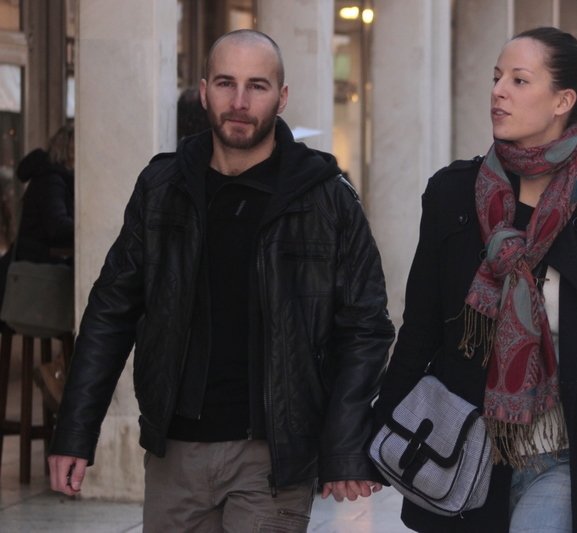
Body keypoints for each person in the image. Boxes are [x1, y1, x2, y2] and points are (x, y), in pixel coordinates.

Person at [48, 29, 394, 533]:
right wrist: (74, 432)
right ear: (205, 91)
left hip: (273, 458)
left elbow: (365, 326)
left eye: (257, 86)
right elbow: (110, 312)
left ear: (282, 97)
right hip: (175, 452)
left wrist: (343, 443)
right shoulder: (161, 188)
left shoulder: (327, 198)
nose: (240, 102)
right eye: (227, 83)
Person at [373, 27, 577, 533]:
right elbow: (419, 330)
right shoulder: (452, 195)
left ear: (562, 101)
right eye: (496, 77)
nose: (498, 91)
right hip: (462, 453)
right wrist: (372, 435)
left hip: (563, 457)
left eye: (518, 79)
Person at [0, 123, 75, 319]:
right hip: (36, 271)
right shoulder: (53, 180)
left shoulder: (53, 178)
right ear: (70, 152)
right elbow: (57, 226)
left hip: (31, 266)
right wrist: (86, 227)